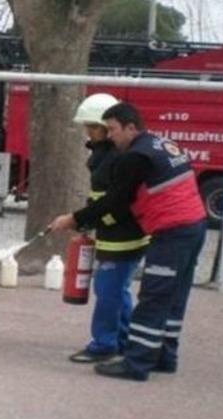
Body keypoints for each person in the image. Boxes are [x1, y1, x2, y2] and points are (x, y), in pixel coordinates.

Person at [49, 102, 207, 382]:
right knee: (174, 297)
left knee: (154, 297)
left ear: (131, 127)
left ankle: (136, 364)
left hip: (172, 232)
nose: (110, 136)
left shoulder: (134, 156)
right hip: (193, 226)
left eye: (113, 129)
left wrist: (74, 218)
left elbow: (116, 200)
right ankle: (165, 357)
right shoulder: (160, 143)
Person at [67, 94, 149, 364]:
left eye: (94, 127)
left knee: (108, 290)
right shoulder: (103, 154)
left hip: (122, 236)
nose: (88, 133)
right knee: (118, 290)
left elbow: (116, 201)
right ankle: (122, 339)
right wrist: (90, 221)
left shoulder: (118, 157)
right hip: (115, 232)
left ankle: (104, 344)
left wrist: (80, 219)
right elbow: (99, 197)